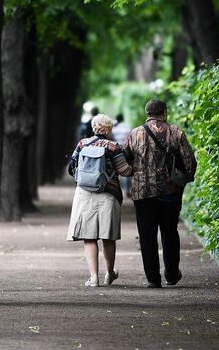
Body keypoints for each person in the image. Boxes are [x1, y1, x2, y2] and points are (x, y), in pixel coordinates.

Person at [123, 99, 196, 288]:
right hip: (170, 192)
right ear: (164, 112)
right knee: (170, 232)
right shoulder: (176, 131)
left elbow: (125, 159)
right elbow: (189, 160)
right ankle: (171, 274)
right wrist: (184, 180)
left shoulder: (135, 134)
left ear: (147, 113)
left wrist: (135, 174)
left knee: (147, 235)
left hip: (143, 193)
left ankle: (153, 279)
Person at [67, 114, 133, 287]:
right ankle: (109, 274)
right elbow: (125, 171)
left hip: (85, 194)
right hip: (108, 194)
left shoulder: (83, 144)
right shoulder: (114, 147)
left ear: (94, 127)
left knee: (89, 237)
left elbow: (71, 167)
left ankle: (94, 277)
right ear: (109, 129)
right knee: (107, 237)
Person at [112, 114, 132, 198]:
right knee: (126, 170)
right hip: (125, 151)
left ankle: (116, 190)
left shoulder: (113, 128)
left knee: (116, 171)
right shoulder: (127, 127)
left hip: (114, 150)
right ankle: (127, 190)